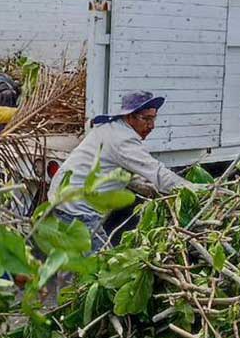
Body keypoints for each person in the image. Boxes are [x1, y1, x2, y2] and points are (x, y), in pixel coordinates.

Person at [49, 91, 193, 252]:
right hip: (76, 209)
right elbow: (158, 174)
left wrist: (147, 188)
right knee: (101, 262)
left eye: (153, 119)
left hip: (64, 200)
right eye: (146, 119)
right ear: (130, 117)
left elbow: (118, 170)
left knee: (74, 255)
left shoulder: (112, 129)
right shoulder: (123, 140)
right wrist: (195, 190)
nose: (151, 126)